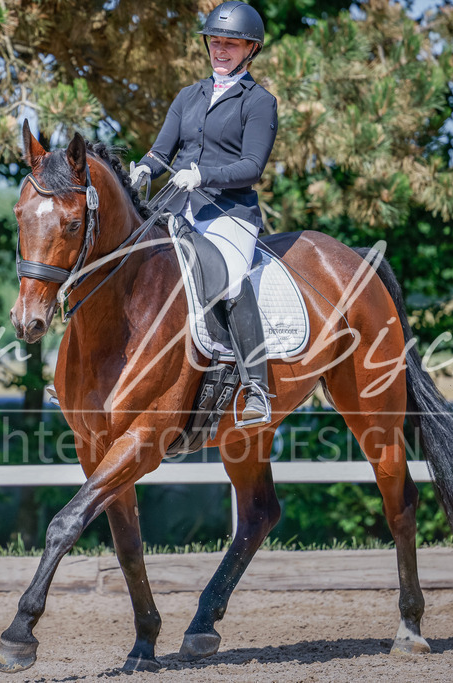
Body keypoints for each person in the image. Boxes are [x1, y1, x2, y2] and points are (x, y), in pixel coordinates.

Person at [130, 1, 276, 425]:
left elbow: (252, 166)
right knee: (123, 263)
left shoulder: (259, 102)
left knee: (230, 281)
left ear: (250, 49)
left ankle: (256, 389)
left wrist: (203, 175)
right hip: (177, 207)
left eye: (231, 43)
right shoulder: (187, 96)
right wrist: (143, 168)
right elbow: (161, 151)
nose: (221, 49)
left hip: (229, 213)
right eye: (215, 41)